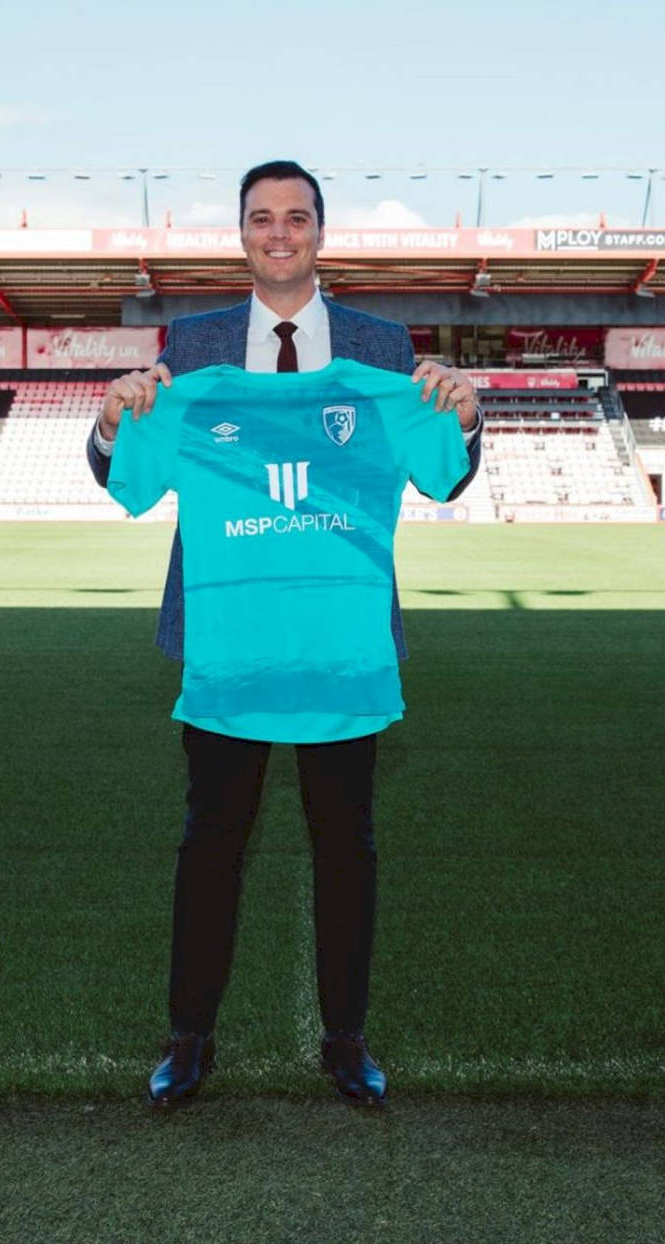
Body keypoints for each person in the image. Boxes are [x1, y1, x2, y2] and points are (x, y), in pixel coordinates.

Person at [86, 160, 483, 1106]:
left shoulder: (386, 347)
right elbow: (128, 479)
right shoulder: (193, 341)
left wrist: (467, 417)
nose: (279, 233)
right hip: (229, 645)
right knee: (212, 838)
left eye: (295, 218)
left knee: (346, 842)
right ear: (241, 234)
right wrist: (110, 423)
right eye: (261, 219)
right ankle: (190, 1038)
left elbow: (444, 474)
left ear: (319, 231)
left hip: (343, 645)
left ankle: (347, 1039)